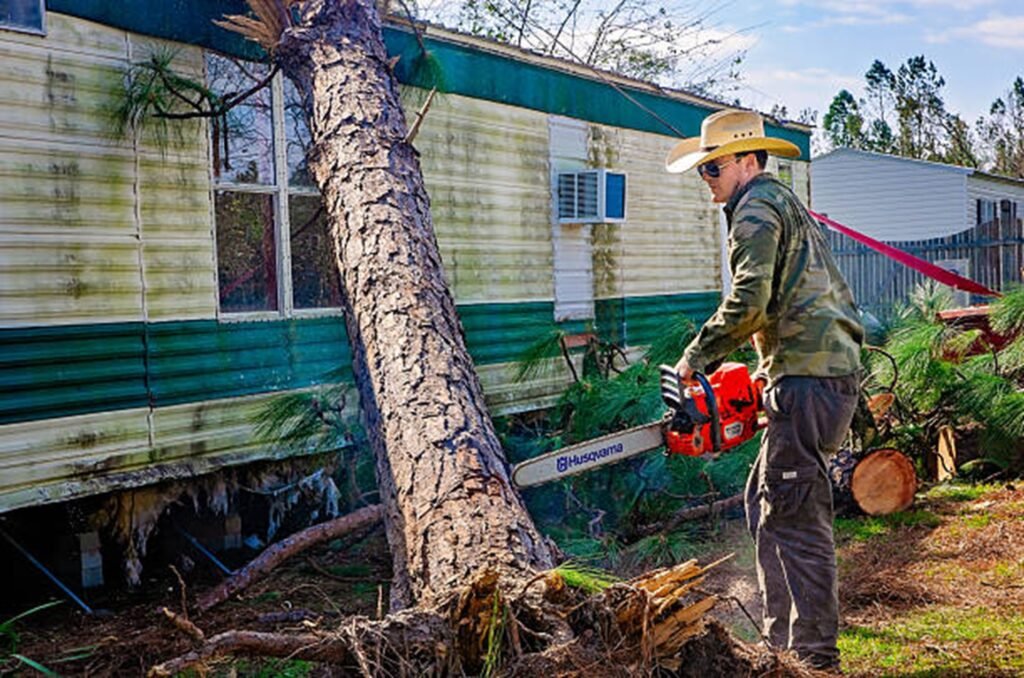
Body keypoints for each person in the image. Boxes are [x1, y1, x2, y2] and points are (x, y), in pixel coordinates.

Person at [665, 109, 863, 671]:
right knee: (766, 500)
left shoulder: (754, 208)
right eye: (704, 170)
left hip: (811, 379)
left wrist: (696, 358)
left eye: (715, 168)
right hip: (810, 374)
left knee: (796, 515)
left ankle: (812, 657)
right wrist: (765, 371)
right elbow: (789, 299)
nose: (709, 180)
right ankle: (781, 645)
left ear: (748, 160)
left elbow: (750, 301)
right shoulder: (780, 203)